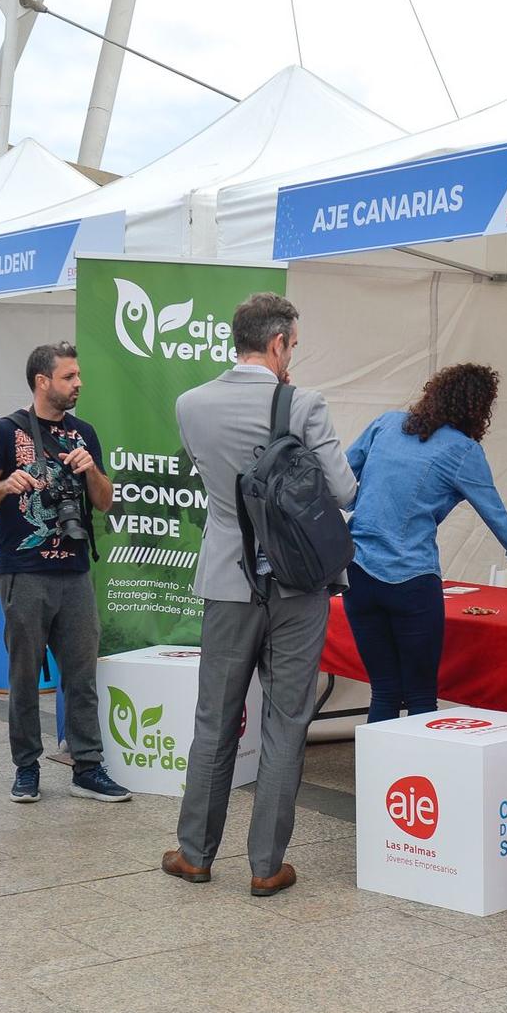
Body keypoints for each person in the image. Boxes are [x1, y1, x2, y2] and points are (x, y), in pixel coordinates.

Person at [163, 292, 356, 897]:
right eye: (292, 344)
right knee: (286, 720)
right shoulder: (304, 404)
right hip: (297, 587)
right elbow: (344, 491)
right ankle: (266, 864)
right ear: (278, 344)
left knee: (214, 719)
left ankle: (195, 853)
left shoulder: (190, 404)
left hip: (225, 581)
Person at [344, 362, 507, 721]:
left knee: (383, 689)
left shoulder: (386, 424)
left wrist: (368, 503)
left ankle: (377, 779)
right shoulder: (462, 452)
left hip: (358, 576)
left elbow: (339, 482)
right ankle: (419, 778)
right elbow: (503, 526)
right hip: (410, 582)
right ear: (479, 410)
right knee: (420, 697)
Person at [0, 343, 130, 805]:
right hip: (26, 571)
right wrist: (7, 485)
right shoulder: (4, 432)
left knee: (81, 675)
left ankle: (88, 765)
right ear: (43, 382)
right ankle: (26, 767)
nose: (78, 384)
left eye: (78, 376)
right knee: (23, 675)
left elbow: (105, 501)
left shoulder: (85, 433)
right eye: (69, 376)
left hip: (75, 571)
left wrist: (90, 470)